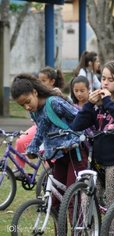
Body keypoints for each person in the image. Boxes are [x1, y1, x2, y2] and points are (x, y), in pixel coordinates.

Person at [70, 61, 114, 230]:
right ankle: (94, 232)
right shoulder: (97, 103)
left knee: (113, 206)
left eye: (110, 79)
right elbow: (77, 125)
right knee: (87, 200)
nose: (105, 83)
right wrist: (89, 104)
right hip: (97, 161)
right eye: (103, 78)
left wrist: (108, 101)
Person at [10, 73, 88, 209]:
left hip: (75, 153)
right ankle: (61, 231)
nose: (27, 107)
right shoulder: (34, 112)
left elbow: (80, 119)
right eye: (23, 106)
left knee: (71, 200)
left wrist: (71, 142)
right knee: (56, 202)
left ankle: (80, 231)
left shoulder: (54, 103)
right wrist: (32, 148)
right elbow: (40, 131)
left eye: (28, 102)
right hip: (57, 157)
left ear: (35, 92)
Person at [14, 67, 65, 177]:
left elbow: (73, 115)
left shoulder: (54, 99)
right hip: (40, 130)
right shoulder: (33, 103)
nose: (40, 83)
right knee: (20, 142)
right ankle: (19, 169)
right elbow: (40, 127)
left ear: (52, 81)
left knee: (50, 165)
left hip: (59, 136)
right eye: (39, 80)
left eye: (44, 80)